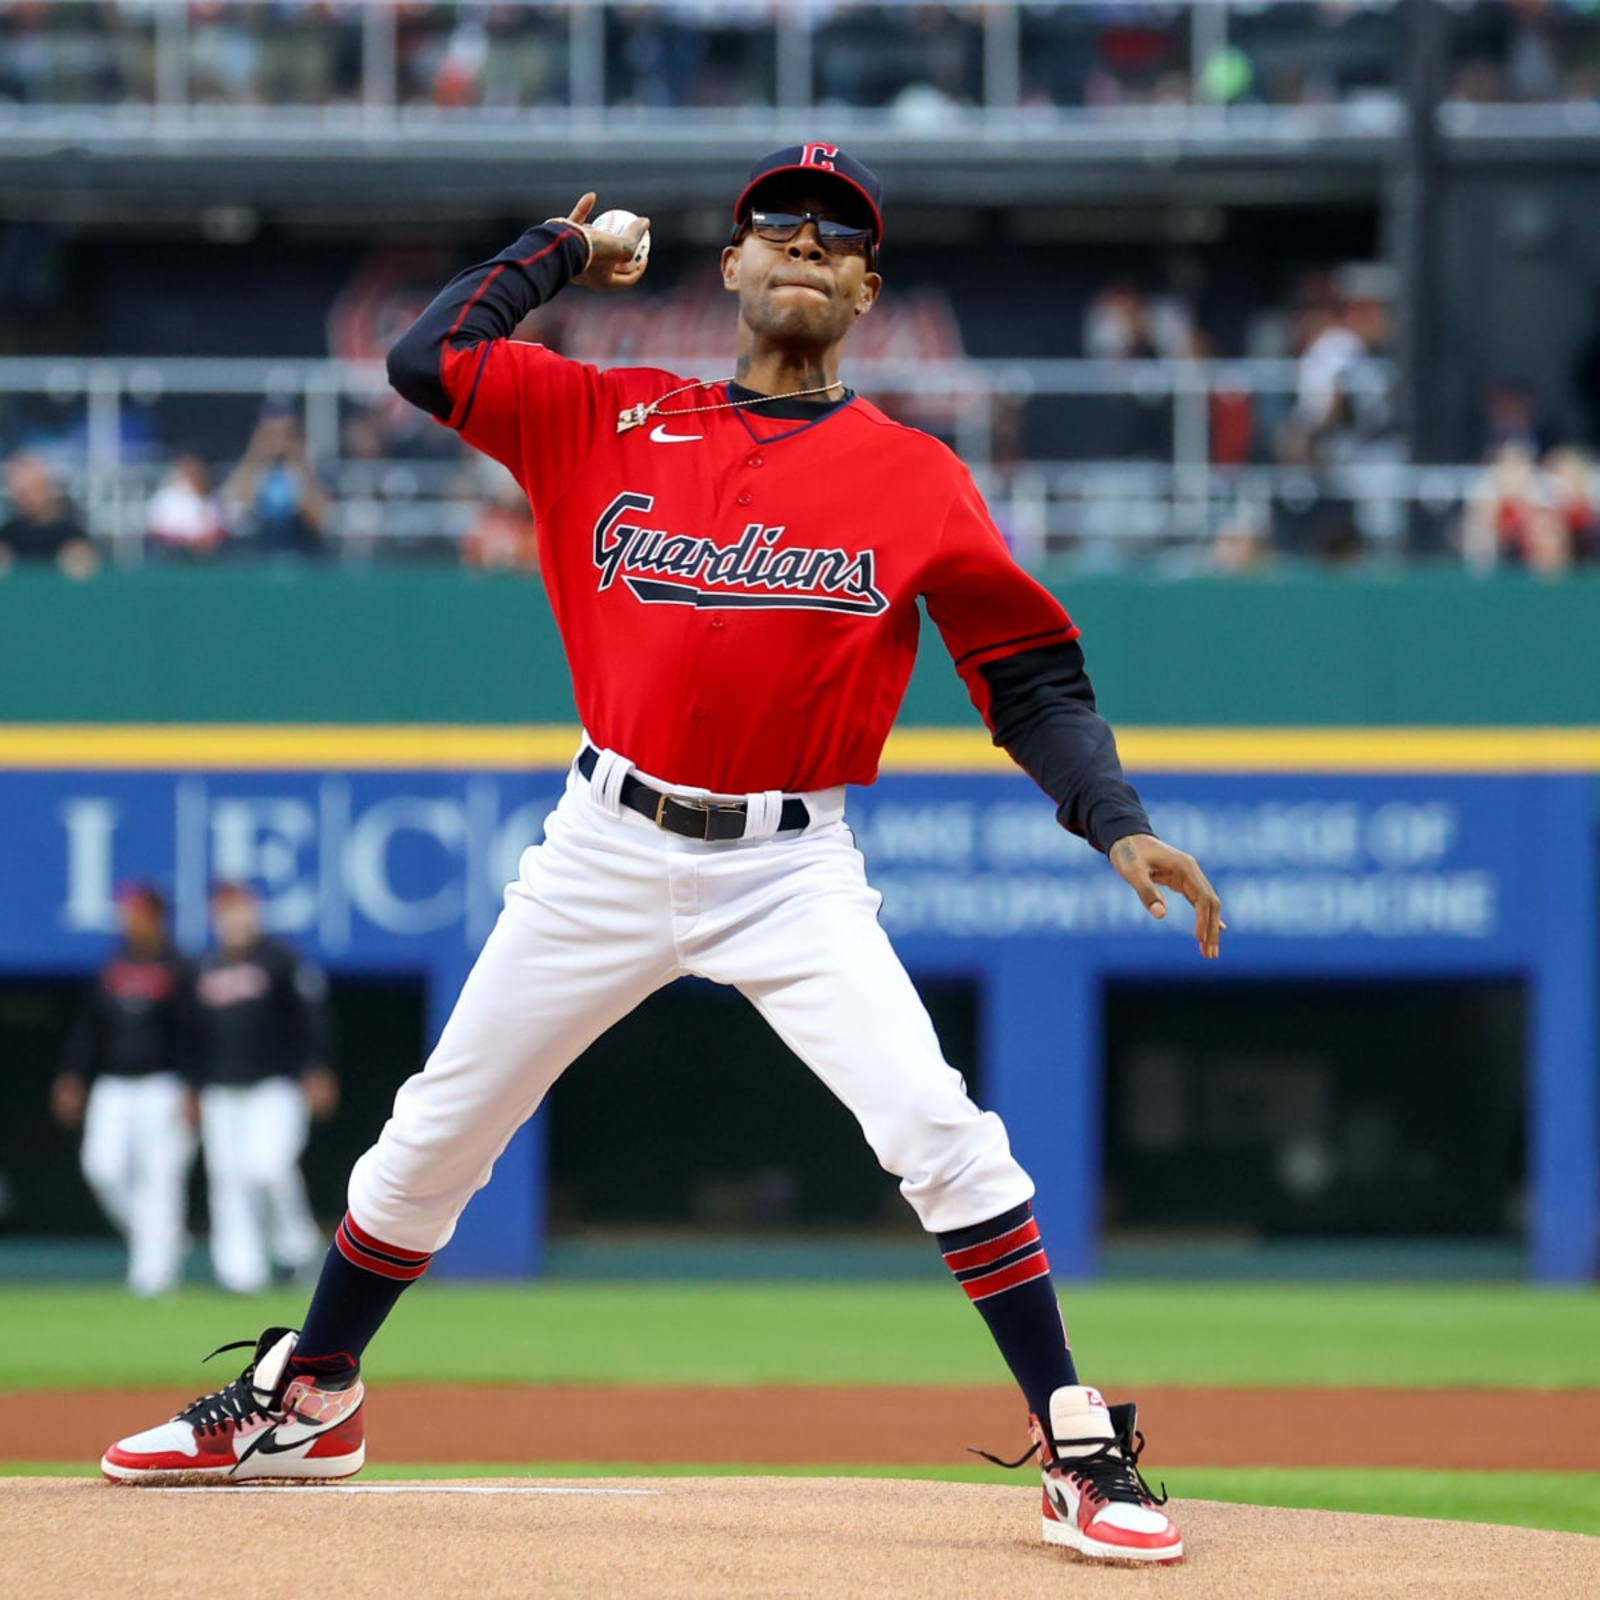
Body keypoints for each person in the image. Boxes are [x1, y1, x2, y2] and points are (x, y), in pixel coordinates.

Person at [101, 146, 1223, 1566]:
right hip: (603, 844)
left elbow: (1033, 680)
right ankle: (311, 1394)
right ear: (734, 266)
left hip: (791, 865)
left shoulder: (916, 478)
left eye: (838, 234)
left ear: (867, 288)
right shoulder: (609, 411)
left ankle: (1072, 1438)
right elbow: (424, 357)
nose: (806, 242)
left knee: (939, 1132)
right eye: (778, 225)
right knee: (432, 1135)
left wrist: (1113, 818)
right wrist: (555, 254)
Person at [189, 882, 338, 1294]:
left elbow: (312, 1017)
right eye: (224, 910)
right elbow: (191, 1034)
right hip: (221, 1089)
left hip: (275, 1086)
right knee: (228, 1180)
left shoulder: (281, 959)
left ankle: (300, 1248)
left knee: (269, 1167)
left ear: (254, 911)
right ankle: (241, 1273)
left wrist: (316, 1067)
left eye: (240, 908)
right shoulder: (203, 966)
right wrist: (192, 1086)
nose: (233, 918)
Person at [49, 885, 195, 1298]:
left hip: (163, 1085)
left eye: (132, 910)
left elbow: (193, 1033)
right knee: (102, 1168)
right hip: (113, 1086)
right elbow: (90, 1029)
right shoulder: (114, 964)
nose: (124, 917)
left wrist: (192, 1086)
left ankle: (155, 1274)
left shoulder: (179, 965)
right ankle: (162, 1238)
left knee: (160, 1180)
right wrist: (73, 1075)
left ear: (154, 915)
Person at [221, 403, 331, 558]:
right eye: (271, 433)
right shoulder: (251, 470)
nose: (279, 440)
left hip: (301, 551)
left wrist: (298, 461)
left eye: (287, 433)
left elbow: (321, 518)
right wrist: (257, 455)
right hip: (258, 553)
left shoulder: (305, 470)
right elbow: (231, 511)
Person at [0, 450, 98, 577]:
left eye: (32, 490)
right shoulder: (10, 533)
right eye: (20, 492)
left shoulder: (69, 531)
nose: (25, 498)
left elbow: (86, 566)